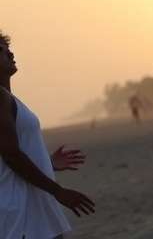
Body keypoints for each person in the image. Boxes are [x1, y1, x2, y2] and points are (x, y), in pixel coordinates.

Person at [0, 31, 95, 238]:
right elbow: (10, 155)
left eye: (8, 49)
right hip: (17, 207)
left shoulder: (9, 98)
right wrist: (58, 191)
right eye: (1, 51)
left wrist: (48, 163)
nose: (10, 54)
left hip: (32, 201)